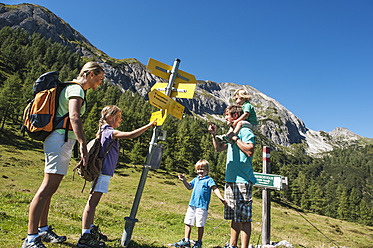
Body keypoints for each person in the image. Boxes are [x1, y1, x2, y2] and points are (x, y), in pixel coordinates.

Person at [22, 62, 105, 248]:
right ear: (90, 74)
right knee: (46, 189)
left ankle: (42, 230)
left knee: (49, 190)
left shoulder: (68, 87)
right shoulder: (77, 90)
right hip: (60, 141)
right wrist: (83, 143)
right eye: (99, 79)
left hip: (58, 140)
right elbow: (74, 116)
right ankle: (30, 238)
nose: (100, 83)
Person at [77, 105, 157, 248]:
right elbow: (131, 134)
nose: (120, 120)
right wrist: (149, 125)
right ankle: (85, 236)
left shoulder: (103, 131)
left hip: (102, 171)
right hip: (102, 172)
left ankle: (90, 229)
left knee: (93, 201)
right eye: (118, 117)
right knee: (92, 202)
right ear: (110, 118)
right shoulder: (109, 131)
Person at [208, 105, 257, 248]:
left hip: (242, 180)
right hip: (230, 180)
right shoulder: (232, 132)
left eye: (227, 115)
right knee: (234, 216)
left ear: (235, 116)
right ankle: (232, 245)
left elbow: (249, 150)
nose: (225, 118)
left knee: (244, 218)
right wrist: (213, 134)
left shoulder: (245, 130)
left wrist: (234, 138)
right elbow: (218, 149)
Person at [174, 160, 225, 248]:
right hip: (192, 204)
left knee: (200, 224)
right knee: (188, 222)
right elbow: (189, 187)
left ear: (207, 170)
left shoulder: (209, 180)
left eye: (202, 169)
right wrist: (183, 180)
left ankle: (199, 242)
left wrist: (221, 198)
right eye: (198, 169)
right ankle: (186, 241)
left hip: (202, 206)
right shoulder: (196, 179)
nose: (199, 171)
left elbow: (215, 188)